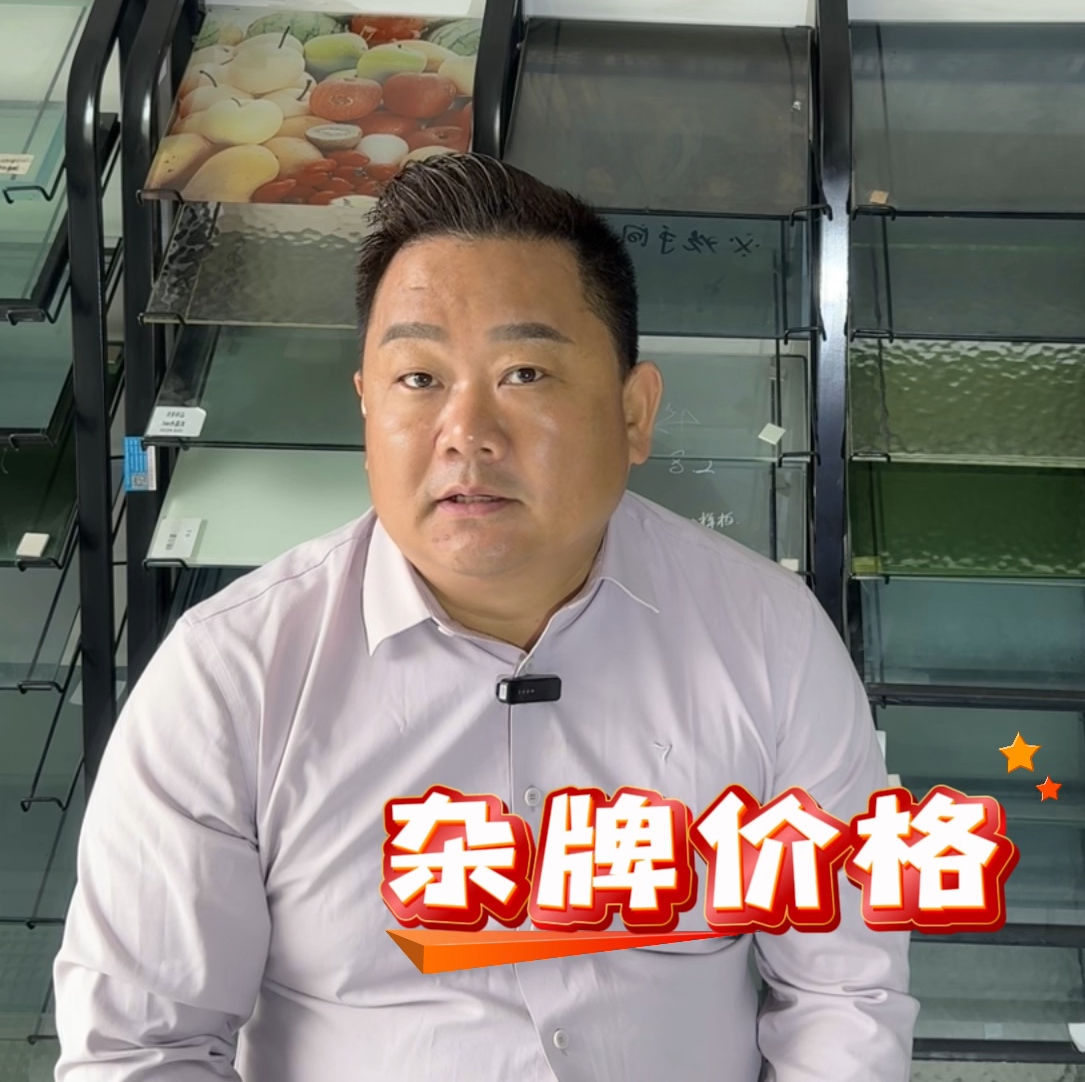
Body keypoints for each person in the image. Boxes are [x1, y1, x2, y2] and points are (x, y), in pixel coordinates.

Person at [53, 153, 917, 1079]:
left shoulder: (771, 638)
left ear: (634, 412)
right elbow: (142, 1048)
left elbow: (844, 993)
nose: (466, 432)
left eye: (525, 372)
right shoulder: (230, 677)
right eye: (418, 379)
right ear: (366, 408)